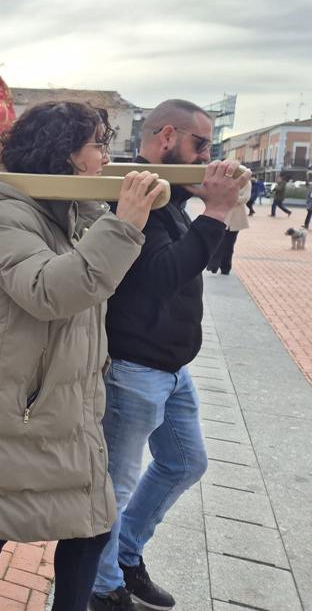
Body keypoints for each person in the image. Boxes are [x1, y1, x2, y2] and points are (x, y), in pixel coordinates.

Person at [0, 101, 162, 611]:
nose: (106, 156)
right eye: (97, 144)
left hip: (68, 405)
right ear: (64, 154)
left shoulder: (74, 210)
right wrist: (123, 227)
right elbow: (48, 290)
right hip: (13, 405)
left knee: (88, 529)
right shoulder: (2, 214)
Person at [91, 100, 249, 610]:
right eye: (200, 145)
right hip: (135, 365)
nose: (208, 156)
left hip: (171, 367)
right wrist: (217, 211)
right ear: (166, 137)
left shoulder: (173, 199)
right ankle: (102, 586)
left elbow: (201, 264)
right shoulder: (138, 195)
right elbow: (160, 276)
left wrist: (220, 207)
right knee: (115, 484)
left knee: (185, 462)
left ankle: (126, 558)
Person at [208, 179, 251, 275]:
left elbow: (246, 198)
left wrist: (231, 198)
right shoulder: (226, 180)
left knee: (229, 244)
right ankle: (214, 264)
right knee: (217, 241)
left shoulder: (246, 182)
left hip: (236, 218)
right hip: (222, 215)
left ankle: (226, 267)